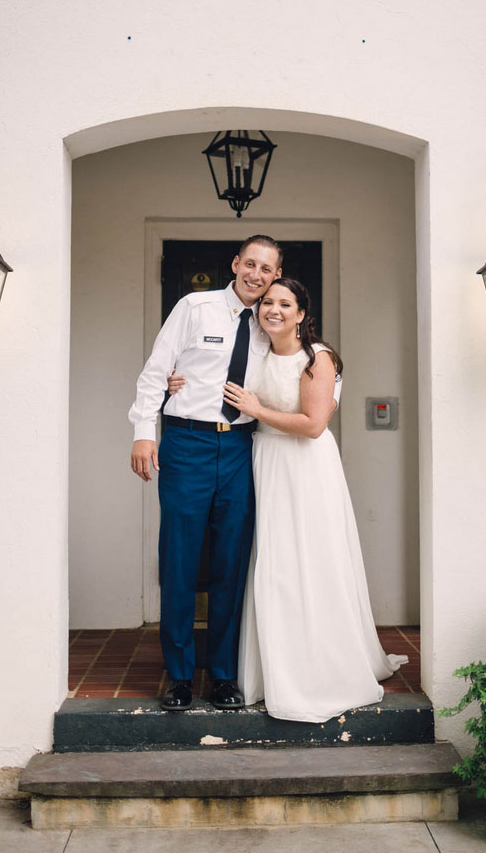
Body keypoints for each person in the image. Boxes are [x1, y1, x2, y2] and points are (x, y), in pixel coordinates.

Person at [222, 278, 408, 723]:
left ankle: (319, 670)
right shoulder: (255, 351)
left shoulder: (317, 359)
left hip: (305, 466)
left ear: (302, 314)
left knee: (309, 559)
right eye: (268, 302)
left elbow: (313, 425)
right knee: (274, 563)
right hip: (265, 461)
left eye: (285, 304)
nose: (274, 309)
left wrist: (256, 408)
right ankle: (272, 669)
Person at [129, 235, 283, 711]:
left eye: (267, 269)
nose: (257, 275)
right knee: (179, 558)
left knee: (230, 565)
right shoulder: (194, 306)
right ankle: (178, 674)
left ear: (275, 276)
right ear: (236, 264)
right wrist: (143, 430)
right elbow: (158, 370)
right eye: (250, 264)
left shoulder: (271, 324)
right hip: (187, 441)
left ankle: (221, 674)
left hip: (239, 446)